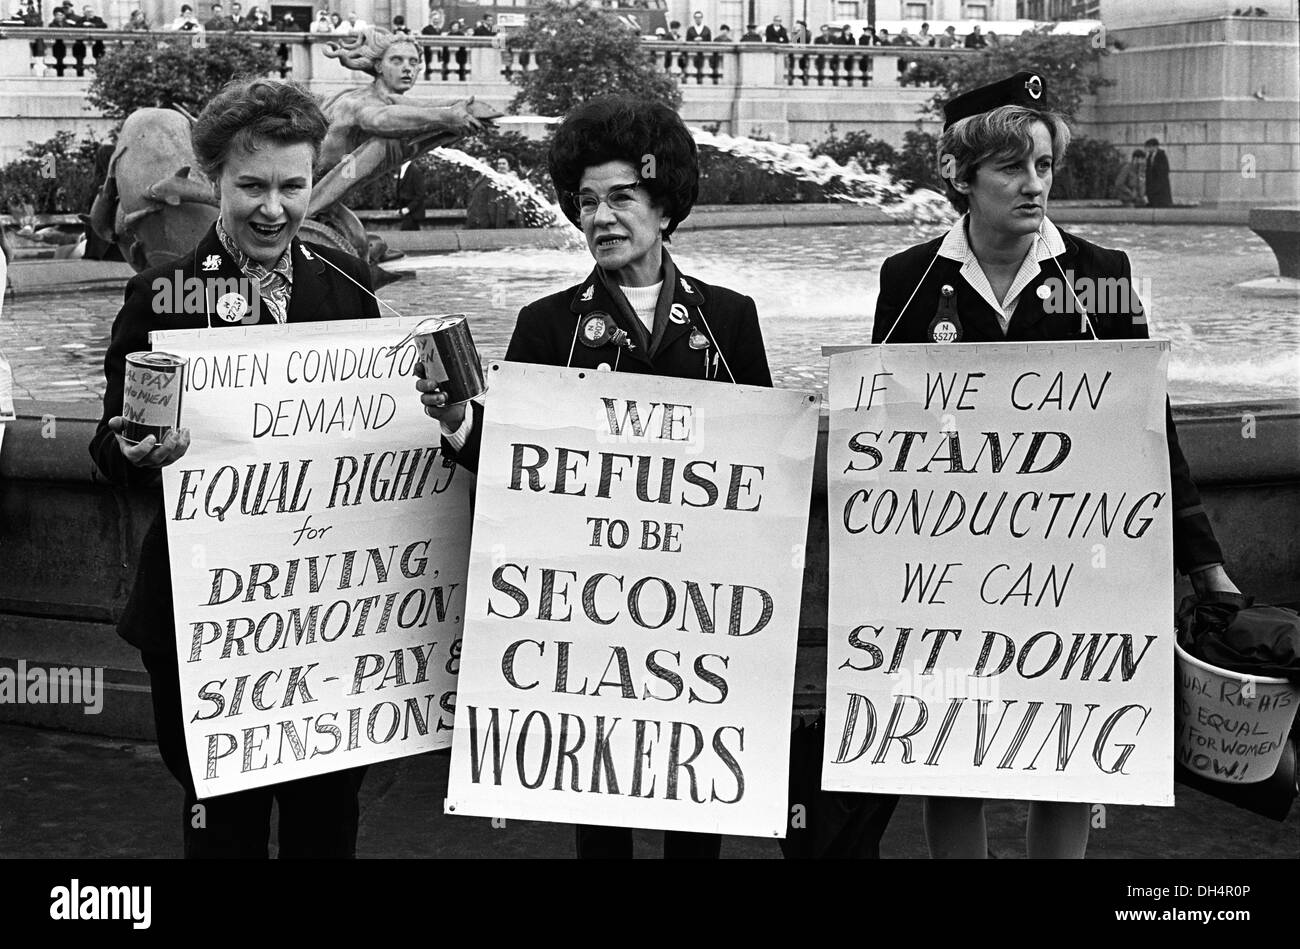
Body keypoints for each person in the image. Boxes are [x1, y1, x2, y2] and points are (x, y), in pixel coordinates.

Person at [869, 72, 1238, 859]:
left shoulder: (1100, 271)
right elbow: (883, 428)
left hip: (1077, 561)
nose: (1032, 185)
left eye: (1043, 166)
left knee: (1065, 744)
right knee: (949, 746)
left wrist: (1204, 559)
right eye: (1011, 168)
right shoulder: (907, 280)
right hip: (951, 561)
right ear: (961, 177)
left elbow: (1149, 422)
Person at [417, 100, 772, 862]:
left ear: (664, 203)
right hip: (589, 605)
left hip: (695, 606)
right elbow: (513, 457)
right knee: (597, 796)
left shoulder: (730, 319)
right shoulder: (548, 324)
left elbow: (766, 462)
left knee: (694, 794)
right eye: (586, 202)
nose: (602, 217)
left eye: (621, 197)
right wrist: (457, 419)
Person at [88, 78, 380, 858]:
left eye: (292, 185)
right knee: (225, 835)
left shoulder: (352, 295)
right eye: (251, 186)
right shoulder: (161, 298)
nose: (274, 207)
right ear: (213, 180)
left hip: (329, 621)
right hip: (202, 620)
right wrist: (132, 449)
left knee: (327, 827)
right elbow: (108, 449)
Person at [464, 156, 521, 229]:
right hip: (491, 214)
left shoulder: (512, 179)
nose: (501, 166)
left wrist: (511, 216)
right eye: (499, 164)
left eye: (503, 164)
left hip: (505, 214)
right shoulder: (492, 179)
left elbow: (514, 199)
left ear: (508, 166)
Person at [1145, 137, 1172, 208]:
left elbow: (1164, 170)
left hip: (1160, 186)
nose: (1148, 149)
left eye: (1150, 147)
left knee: (1161, 204)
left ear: (1155, 146)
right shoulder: (1149, 157)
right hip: (1152, 186)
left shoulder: (1161, 155)